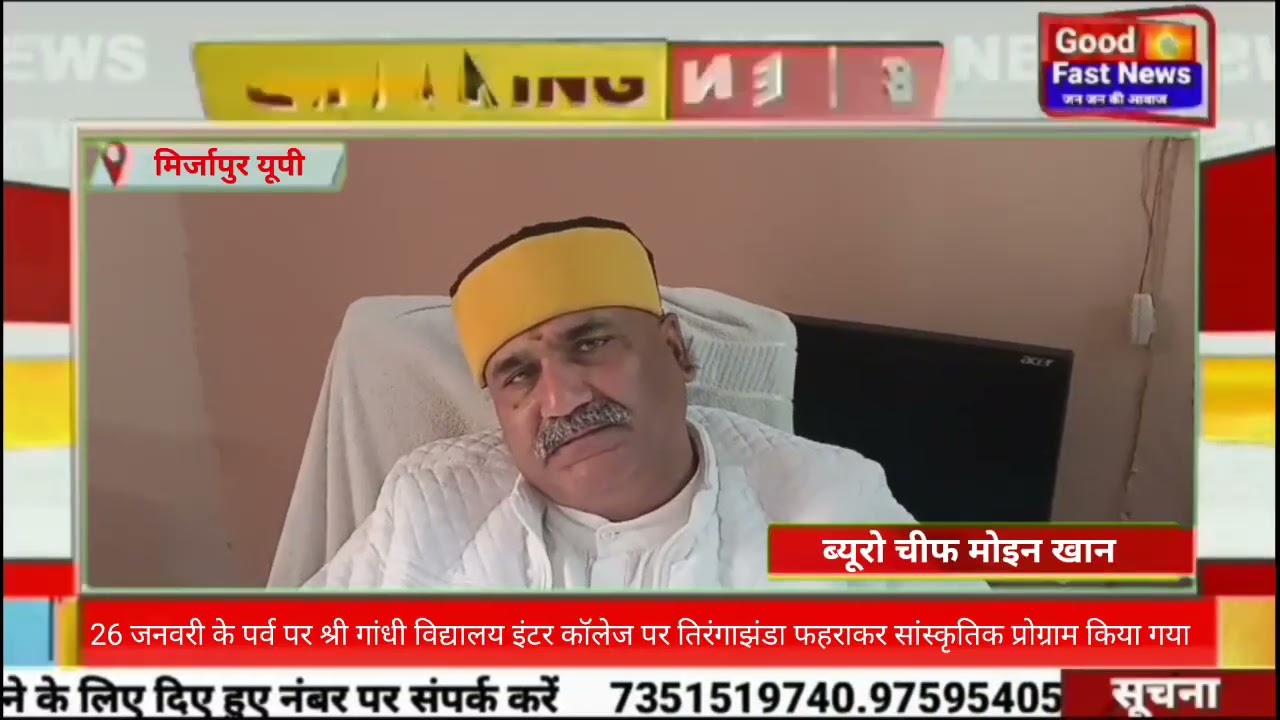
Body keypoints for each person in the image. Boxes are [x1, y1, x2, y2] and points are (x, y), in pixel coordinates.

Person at [307, 217, 983, 591]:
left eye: (590, 344)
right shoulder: (429, 503)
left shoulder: (829, 499)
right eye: (519, 374)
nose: (561, 399)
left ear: (676, 350)